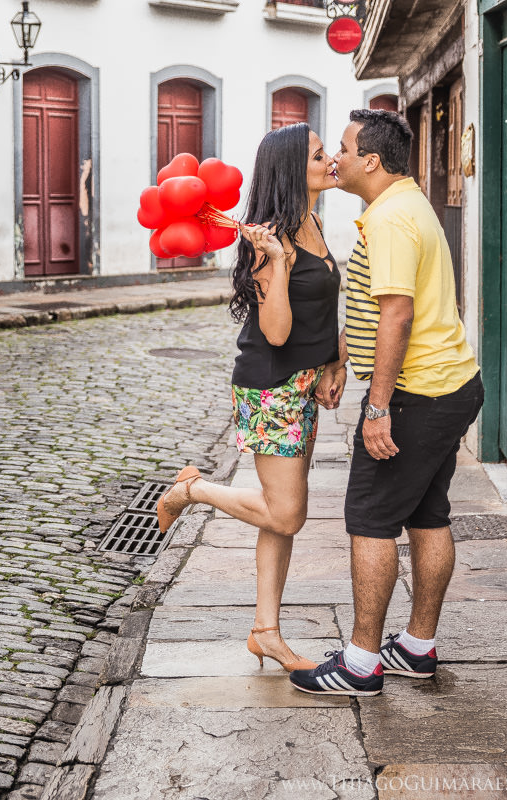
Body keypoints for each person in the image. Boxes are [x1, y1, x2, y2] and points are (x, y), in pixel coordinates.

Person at [289, 109, 483, 697]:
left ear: (371, 160)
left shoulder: (393, 219)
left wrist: (377, 408)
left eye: (344, 148)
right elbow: (378, 311)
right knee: (427, 515)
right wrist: (343, 358)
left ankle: (361, 663)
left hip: (417, 394)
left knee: (370, 520)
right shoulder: (404, 203)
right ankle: (416, 649)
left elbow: (396, 312)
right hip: (450, 385)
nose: (337, 159)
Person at [157, 123, 347, 672]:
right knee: (286, 515)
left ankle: (266, 630)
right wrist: (280, 266)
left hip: (305, 383)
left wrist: (335, 363)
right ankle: (192, 491)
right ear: (292, 169)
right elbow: (281, 331)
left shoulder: (310, 221)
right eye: (319, 154)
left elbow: (321, 314)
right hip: (271, 387)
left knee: (277, 516)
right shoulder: (270, 245)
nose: (331, 159)